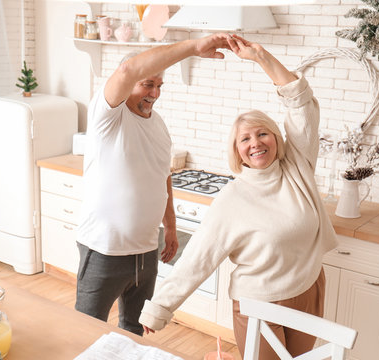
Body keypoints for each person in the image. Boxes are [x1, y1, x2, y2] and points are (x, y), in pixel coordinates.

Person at [139, 34, 339, 358]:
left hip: (309, 289)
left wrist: (262, 57)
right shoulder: (233, 200)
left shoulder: (297, 168)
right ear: (237, 152)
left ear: (276, 138)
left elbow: (301, 105)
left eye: (262, 133)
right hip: (259, 304)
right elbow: (196, 261)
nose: (255, 142)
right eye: (245, 139)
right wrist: (158, 309)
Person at [75, 33, 232, 336]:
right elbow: (126, 70)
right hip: (104, 249)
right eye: (148, 84)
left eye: (159, 85)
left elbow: (164, 177)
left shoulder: (158, 124)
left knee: (135, 331)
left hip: (147, 251)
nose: (155, 93)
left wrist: (170, 227)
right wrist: (191, 47)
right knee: (86, 330)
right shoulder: (108, 117)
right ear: (130, 82)